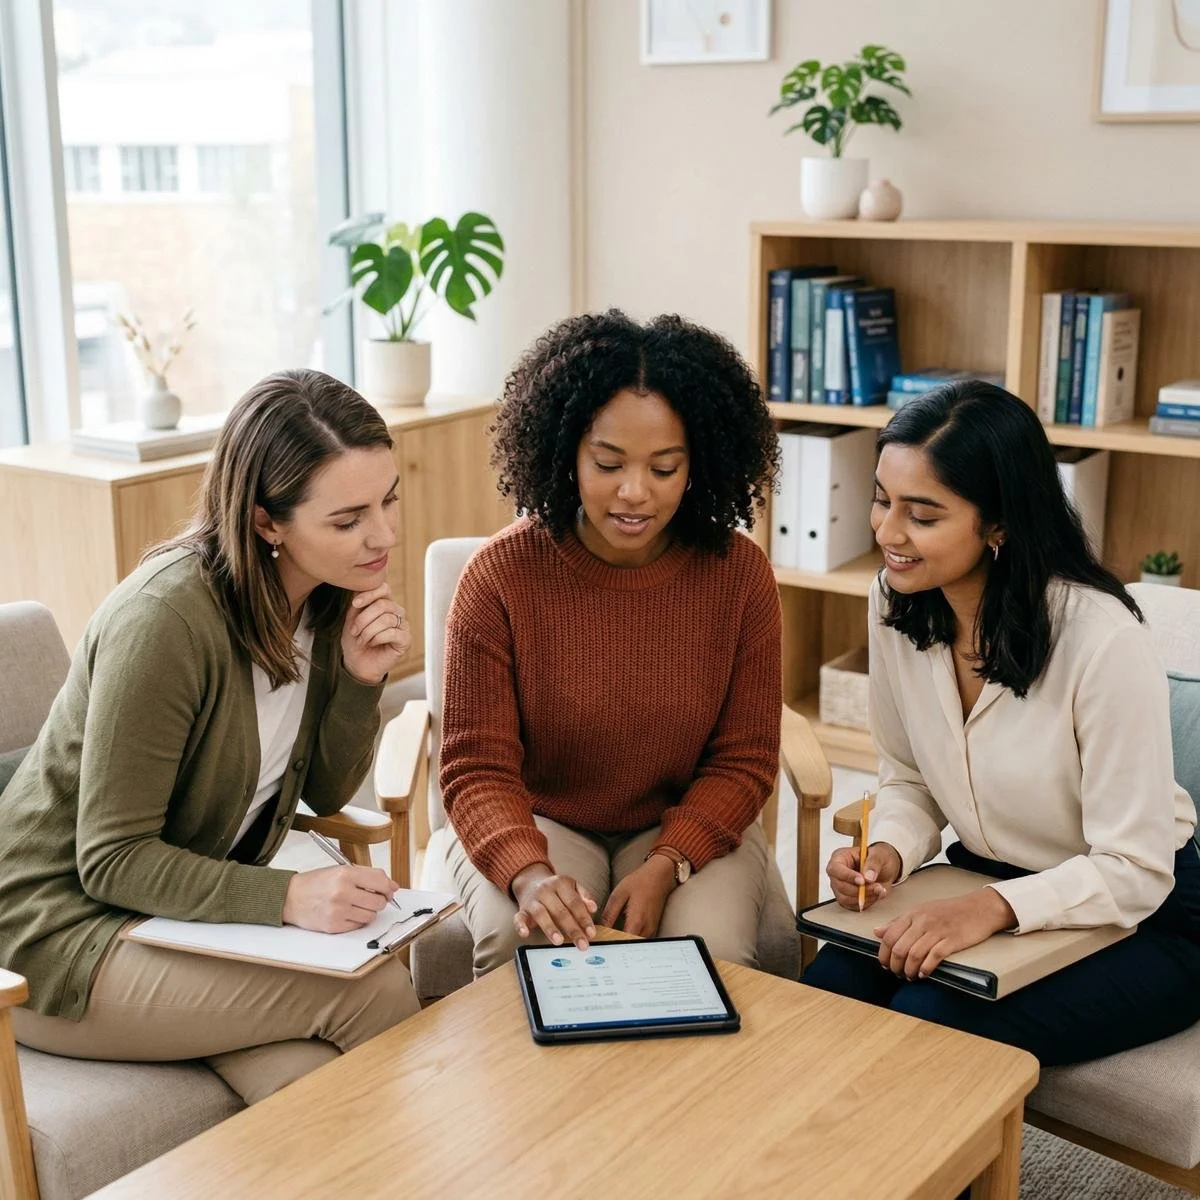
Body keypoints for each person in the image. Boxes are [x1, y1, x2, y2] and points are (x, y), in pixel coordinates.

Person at [0, 368, 420, 1105]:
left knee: (314, 1088)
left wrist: (360, 679)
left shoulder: (326, 599)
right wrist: (288, 895)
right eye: (348, 519)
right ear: (266, 522)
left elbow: (322, 792)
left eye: (388, 500)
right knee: (369, 989)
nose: (383, 536)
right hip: (59, 934)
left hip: (181, 920)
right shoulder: (164, 622)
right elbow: (111, 859)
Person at [803, 381, 1200, 1066]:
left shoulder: (1101, 639)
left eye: (922, 515)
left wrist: (992, 908)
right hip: (985, 877)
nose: (888, 533)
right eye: (882, 499)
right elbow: (909, 779)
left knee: (929, 1027)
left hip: (1145, 917)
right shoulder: (896, 601)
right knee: (830, 989)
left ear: (999, 525)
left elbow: (1135, 868)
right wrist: (889, 850)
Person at [439, 309, 782, 975]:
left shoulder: (739, 575)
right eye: (607, 463)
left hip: (681, 821)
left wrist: (669, 861)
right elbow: (476, 766)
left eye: (664, 468)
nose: (634, 492)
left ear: (699, 464)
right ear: (566, 452)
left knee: (709, 956)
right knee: (527, 945)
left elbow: (744, 760)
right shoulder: (500, 577)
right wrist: (529, 873)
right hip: (542, 819)